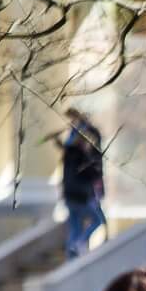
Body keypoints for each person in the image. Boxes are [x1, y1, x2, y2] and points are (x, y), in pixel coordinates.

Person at [54, 108, 106, 260]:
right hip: (81, 194)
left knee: (75, 225)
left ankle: (72, 253)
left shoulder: (70, 152)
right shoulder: (82, 155)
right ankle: (79, 243)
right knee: (97, 220)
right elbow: (92, 172)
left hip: (71, 193)